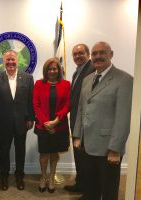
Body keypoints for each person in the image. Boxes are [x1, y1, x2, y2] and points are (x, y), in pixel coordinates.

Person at [73, 41, 133, 200]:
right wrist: (77, 135)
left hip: (107, 147)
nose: (97, 57)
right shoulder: (87, 79)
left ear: (111, 54)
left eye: (102, 53)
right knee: (90, 186)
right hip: (86, 144)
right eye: (94, 54)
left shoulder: (124, 80)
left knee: (108, 190)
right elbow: (80, 109)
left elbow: (123, 117)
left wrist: (115, 148)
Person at [0, 50, 35, 191]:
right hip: (4, 122)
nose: (10, 62)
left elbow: (31, 100)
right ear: (3, 62)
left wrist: (30, 118)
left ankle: (19, 176)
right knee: (3, 151)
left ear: (17, 61)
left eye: (13, 59)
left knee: (20, 150)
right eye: (7, 60)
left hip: (22, 122)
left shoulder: (28, 78)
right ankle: (3, 176)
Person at [33, 57, 70, 193]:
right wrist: (46, 123)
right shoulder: (38, 84)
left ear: (59, 70)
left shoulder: (66, 84)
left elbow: (67, 105)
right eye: (49, 69)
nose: (52, 71)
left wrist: (55, 121)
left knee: (54, 153)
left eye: (55, 68)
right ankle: (43, 177)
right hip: (43, 126)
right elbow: (36, 105)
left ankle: (52, 178)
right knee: (44, 154)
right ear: (45, 70)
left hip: (59, 125)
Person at [64, 44, 94, 193]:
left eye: (81, 53)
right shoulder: (77, 72)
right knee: (79, 155)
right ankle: (80, 184)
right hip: (75, 120)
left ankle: (88, 189)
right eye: (75, 54)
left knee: (86, 158)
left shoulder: (93, 69)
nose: (77, 56)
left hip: (86, 122)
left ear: (88, 54)